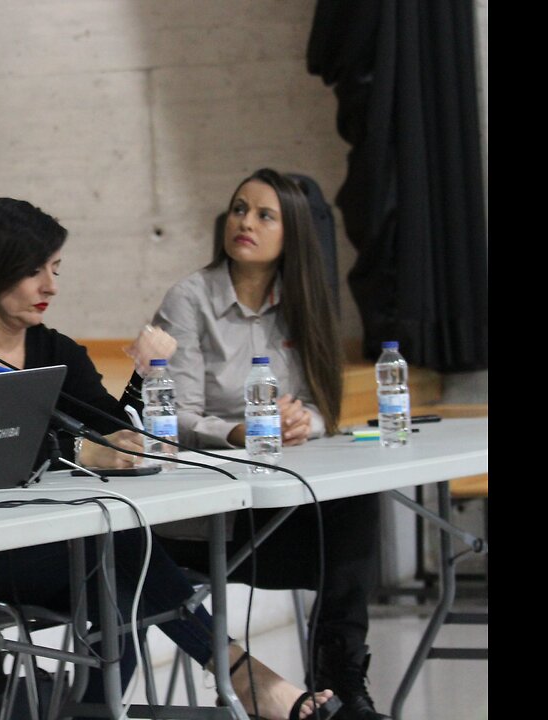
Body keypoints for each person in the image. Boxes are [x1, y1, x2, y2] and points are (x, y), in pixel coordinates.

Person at [0, 197, 339, 720]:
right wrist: (78, 451)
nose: (51, 287)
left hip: (56, 543)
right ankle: (241, 676)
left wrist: (145, 376)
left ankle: (108, 706)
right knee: (116, 553)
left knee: (118, 558)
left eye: (56, 270)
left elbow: (113, 427)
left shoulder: (54, 349)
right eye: (34, 271)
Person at [129, 169, 388, 720]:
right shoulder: (190, 299)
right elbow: (172, 419)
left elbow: (320, 407)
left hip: (269, 512)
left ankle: (339, 678)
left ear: (291, 232)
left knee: (359, 505)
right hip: (202, 522)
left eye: (264, 215)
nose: (244, 222)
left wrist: (302, 424)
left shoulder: (301, 303)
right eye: (239, 208)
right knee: (346, 529)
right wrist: (240, 432)